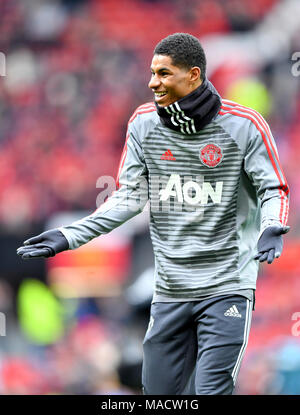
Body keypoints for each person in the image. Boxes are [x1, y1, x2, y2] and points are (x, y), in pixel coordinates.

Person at [17, 33, 290, 395]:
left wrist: (272, 224)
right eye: (152, 73)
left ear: (193, 76)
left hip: (227, 285)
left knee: (211, 390)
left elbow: (274, 188)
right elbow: (128, 199)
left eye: (164, 73)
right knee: (157, 394)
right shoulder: (143, 124)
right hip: (171, 289)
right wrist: (70, 235)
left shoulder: (245, 125)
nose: (152, 82)